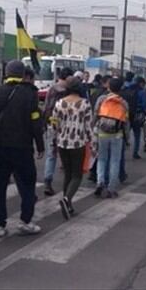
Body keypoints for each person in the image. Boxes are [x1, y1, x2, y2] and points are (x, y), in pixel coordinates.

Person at [0, 60, 45, 238]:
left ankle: (0, 225)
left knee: (0, 185)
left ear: (7, 73)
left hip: (1, 147)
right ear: (23, 74)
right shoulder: (30, 94)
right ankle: (25, 221)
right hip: (23, 147)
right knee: (27, 184)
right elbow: (35, 122)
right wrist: (40, 145)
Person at [53, 76, 94, 219]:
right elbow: (88, 126)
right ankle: (67, 199)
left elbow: (54, 124)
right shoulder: (85, 104)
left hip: (62, 142)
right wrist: (92, 143)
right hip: (78, 142)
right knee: (77, 175)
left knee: (68, 174)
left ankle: (68, 205)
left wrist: (56, 138)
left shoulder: (59, 103)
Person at [93, 77, 128, 199]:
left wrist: (93, 129)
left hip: (102, 133)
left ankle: (100, 182)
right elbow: (126, 122)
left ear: (108, 87)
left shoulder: (102, 99)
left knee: (101, 159)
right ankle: (111, 188)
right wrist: (127, 138)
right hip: (117, 134)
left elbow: (95, 115)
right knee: (115, 161)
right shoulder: (123, 103)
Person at [42, 67, 73, 196]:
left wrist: (45, 123)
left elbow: (46, 107)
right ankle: (68, 184)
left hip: (52, 125)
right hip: (66, 126)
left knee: (51, 154)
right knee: (66, 154)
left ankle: (47, 181)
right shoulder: (69, 91)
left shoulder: (51, 89)